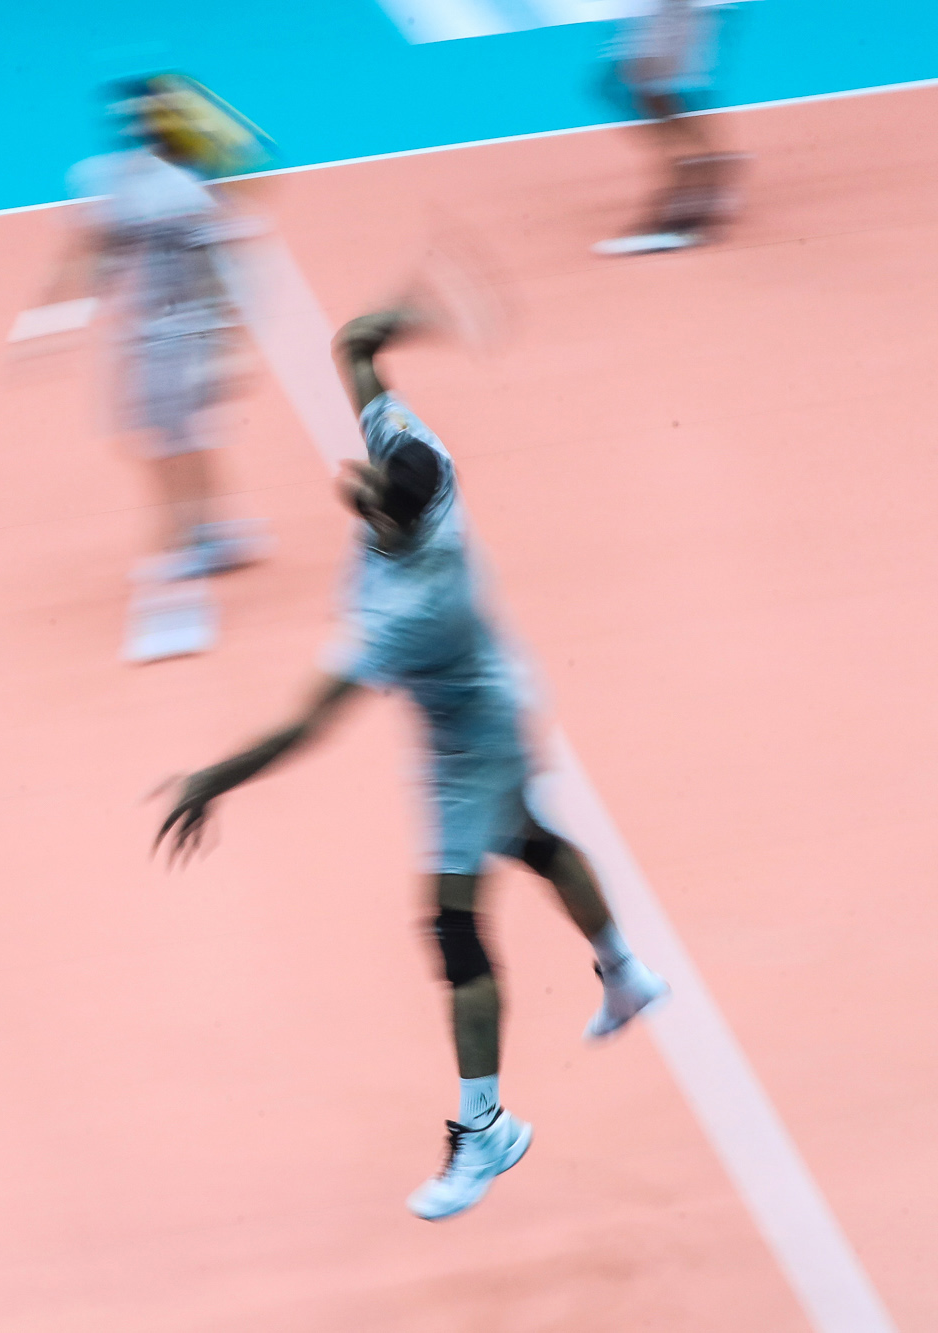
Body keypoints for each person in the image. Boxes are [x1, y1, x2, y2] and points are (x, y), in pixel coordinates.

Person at [153, 308, 669, 1220]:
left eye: (374, 509)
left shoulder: (410, 605)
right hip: (491, 692)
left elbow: (308, 724)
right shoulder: (417, 452)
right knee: (533, 840)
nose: (364, 503)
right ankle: (626, 972)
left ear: (401, 516)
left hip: (473, 736)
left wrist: (213, 779)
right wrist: (402, 320)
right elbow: (355, 346)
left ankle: (487, 1130)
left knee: (453, 926)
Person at [33, 74, 269, 581]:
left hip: (175, 336)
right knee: (168, 438)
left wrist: (226, 342)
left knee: (170, 440)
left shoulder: (142, 186)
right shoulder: (178, 186)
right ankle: (208, 532)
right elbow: (103, 256)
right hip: (156, 335)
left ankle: (202, 537)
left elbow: (100, 257)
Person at [594, 0, 746, 256]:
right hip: (656, 13)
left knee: (648, 88)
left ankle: (689, 209)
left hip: (669, 11)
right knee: (636, 89)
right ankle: (705, 178)